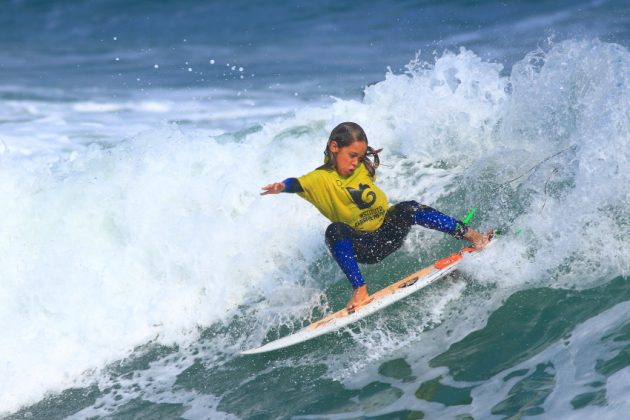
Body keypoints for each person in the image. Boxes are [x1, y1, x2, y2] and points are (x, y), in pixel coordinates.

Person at [261, 122, 491, 310]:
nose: (355, 162)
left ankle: (473, 236)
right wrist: (282, 186)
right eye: (352, 155)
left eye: (359, 157)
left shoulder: (360, 166)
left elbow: (362, 160)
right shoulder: (318, 179)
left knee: (408, 208)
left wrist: (362, 157)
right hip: (364, 246)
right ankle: (359, 290)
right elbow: (297, 183)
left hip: (389, 234)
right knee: (335, 231)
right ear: (334, 147)